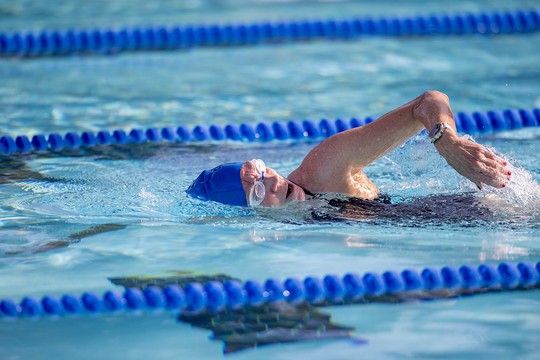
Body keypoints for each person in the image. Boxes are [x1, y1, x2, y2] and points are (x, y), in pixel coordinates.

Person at [186, 91, 511, 207]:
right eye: (257, 193)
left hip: (486, 208)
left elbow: (428, 102)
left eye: (260, 170)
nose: (272, 181)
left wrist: (446, 140)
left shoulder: (323, 168)